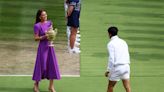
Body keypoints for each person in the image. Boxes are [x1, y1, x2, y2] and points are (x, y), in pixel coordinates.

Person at [32, 9, 61, 92]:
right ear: (39, 17)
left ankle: (51, 86)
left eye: (46, 15)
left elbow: (51, 33)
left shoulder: (49, 23)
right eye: (43, 15)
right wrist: (44, 36)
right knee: (41, 66)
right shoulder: (37, 26)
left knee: (52, 65)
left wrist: (52, 35)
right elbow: (36, 38)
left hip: (50, 47)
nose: (45, 16)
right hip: (42, 48)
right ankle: (36, 85)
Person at [105, 26, 131, 92]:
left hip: (117, 68)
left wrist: (108, 70)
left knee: (110, 87)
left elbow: (111, 59)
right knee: (127, 87)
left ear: (109, 34)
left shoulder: (110, 44)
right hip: (126, 66)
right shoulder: (123, 42)